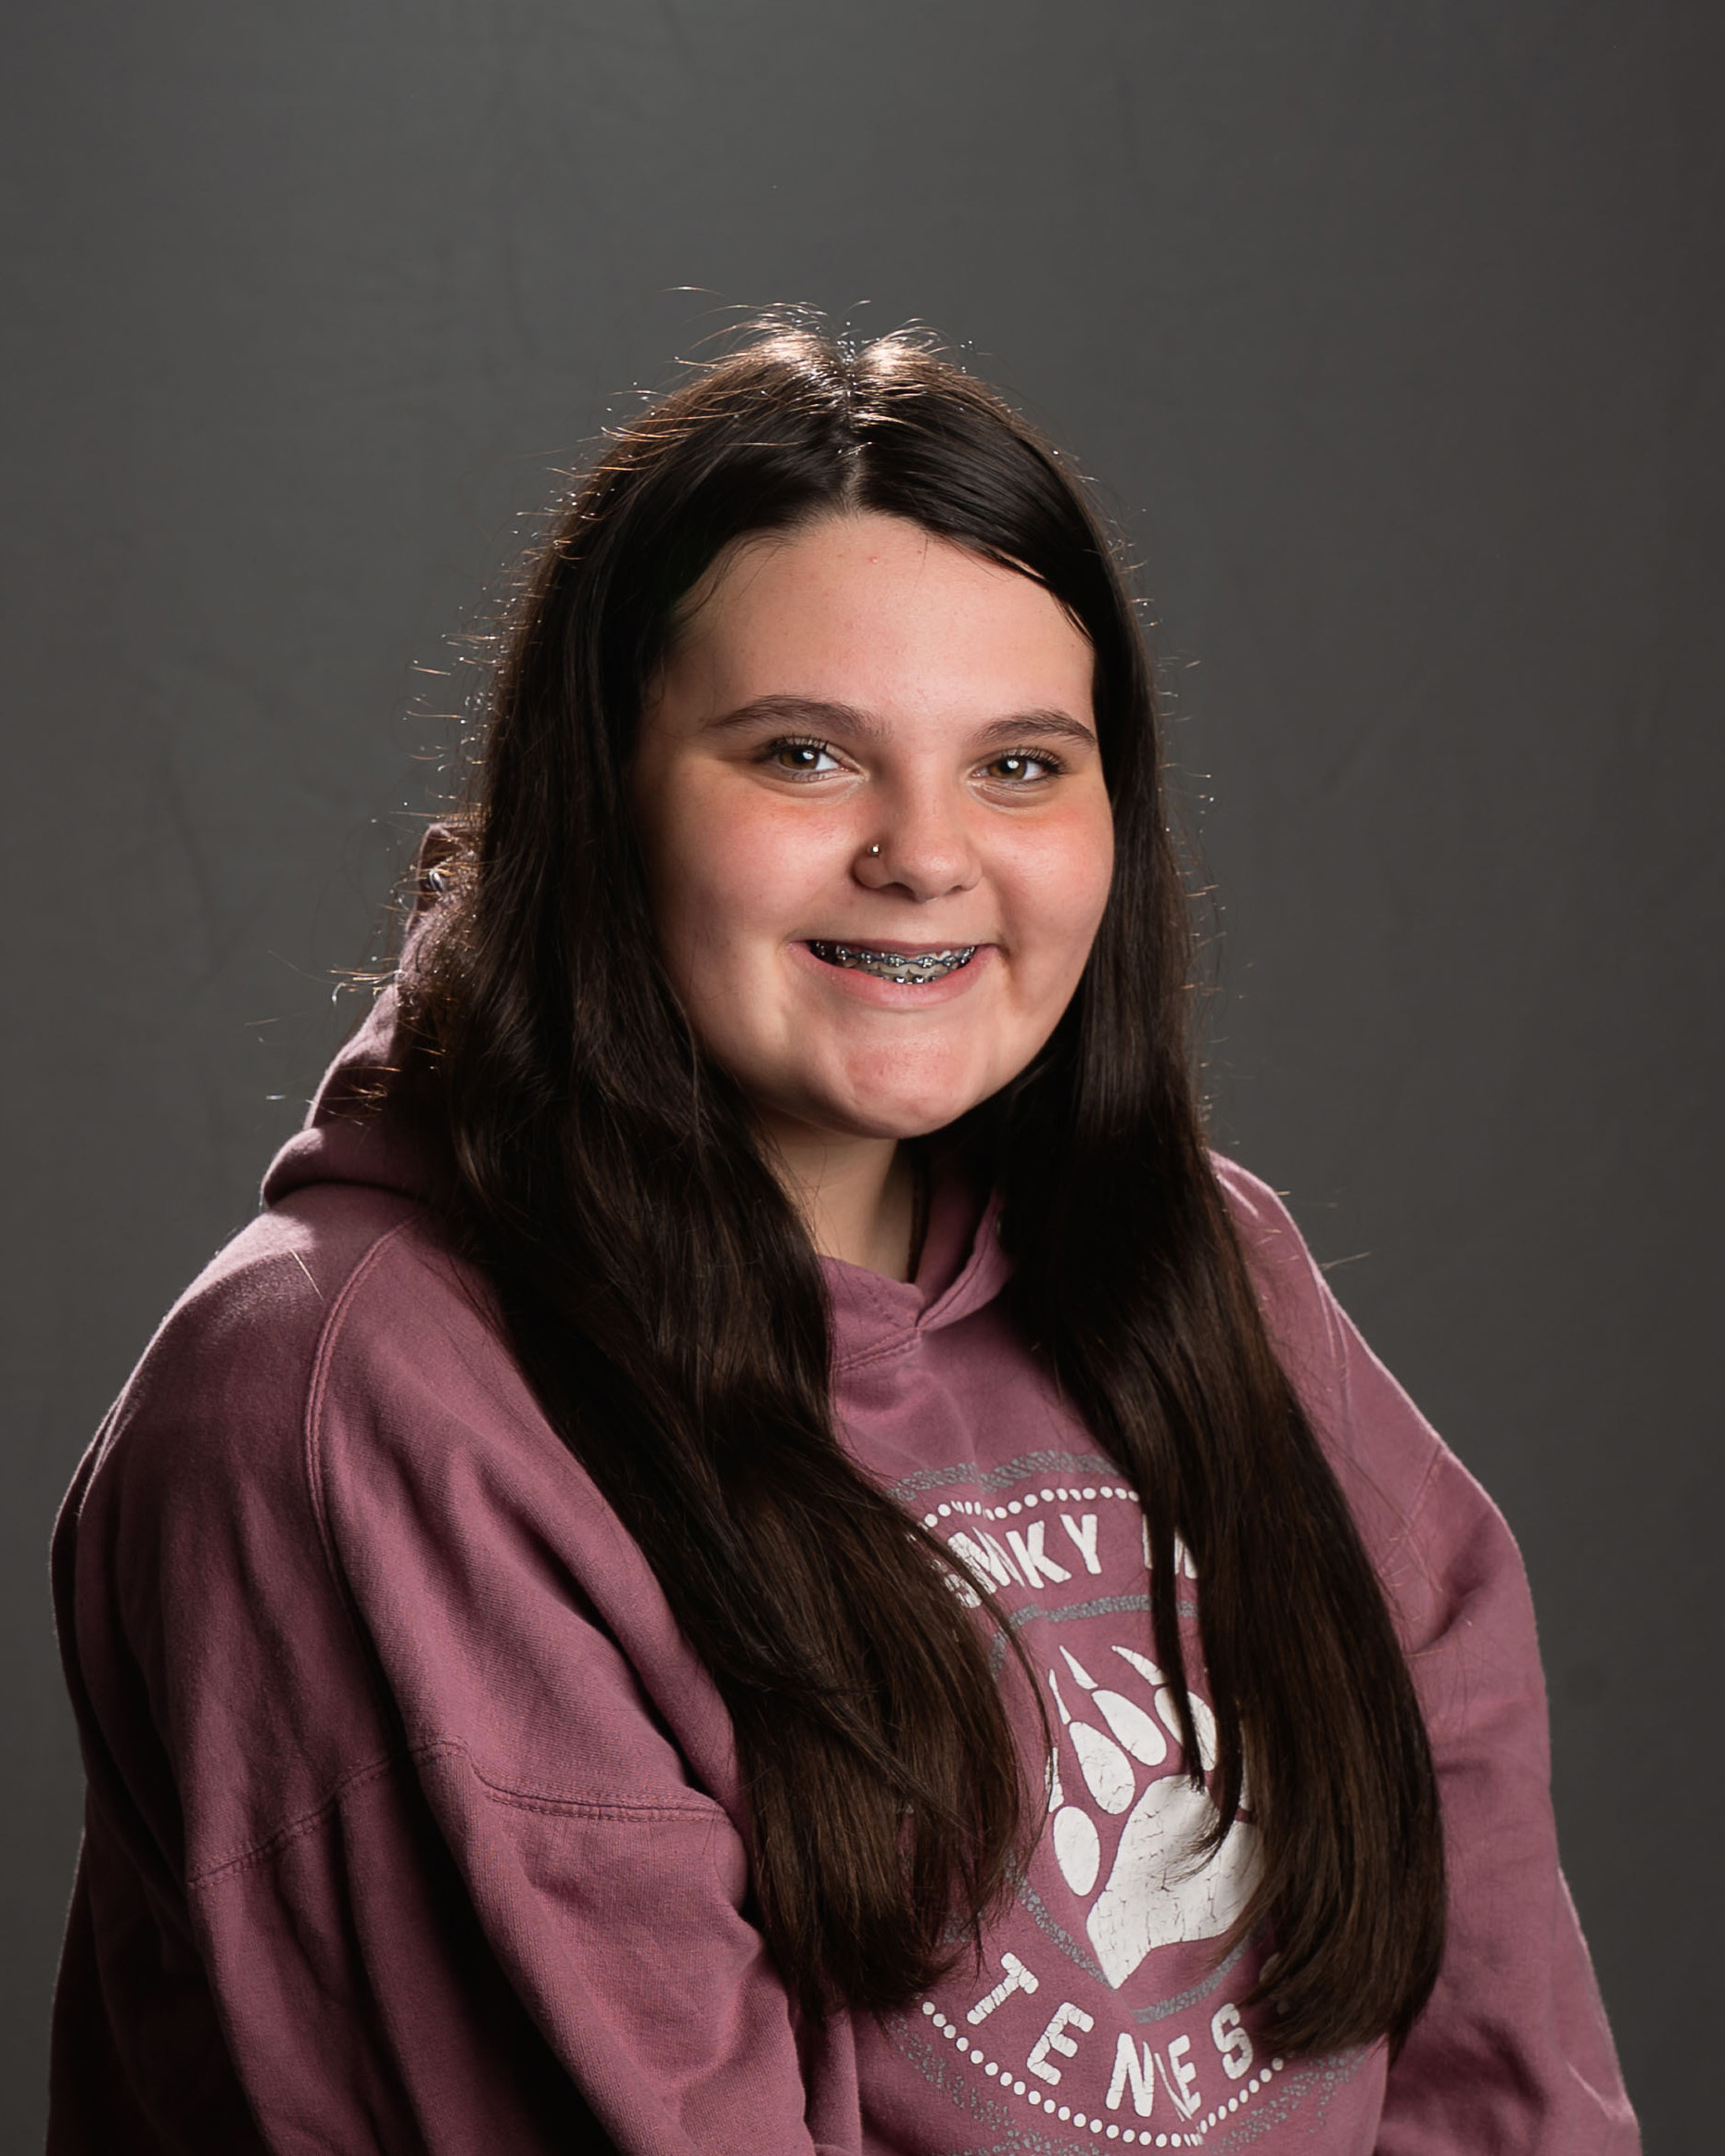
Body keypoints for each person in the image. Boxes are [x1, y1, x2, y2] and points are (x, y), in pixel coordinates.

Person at [49, 321, 1638, 2154]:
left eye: (1020, 765)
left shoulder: (1203, 1268)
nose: (926, 854)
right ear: (595, 791)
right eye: (803, 754)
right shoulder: (355, 1405)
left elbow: (1495, 2039)